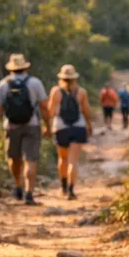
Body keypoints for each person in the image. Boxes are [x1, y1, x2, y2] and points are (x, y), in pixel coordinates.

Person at [0, 54, 48, 205]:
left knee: (13, 158)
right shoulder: (35, 83)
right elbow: (44, 107)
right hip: (32, 125)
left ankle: (18, 186)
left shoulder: (3, 84)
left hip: (11, 126)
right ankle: (29, 192)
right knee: (31, 159)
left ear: (11, 69)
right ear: (26, 67)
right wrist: (47, 125)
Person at [48, 64, 94, 200]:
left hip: (61, 127)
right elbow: (86, 111)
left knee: (62, 158)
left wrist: (48, 126)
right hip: (78, 127)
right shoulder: (82, 92)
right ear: (75, 78)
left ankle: (63, 187)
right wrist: (89, 125)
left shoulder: (55, 91)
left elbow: (50, 112)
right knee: (73, 160)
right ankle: (71, 190)